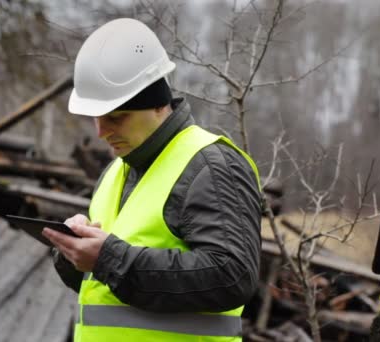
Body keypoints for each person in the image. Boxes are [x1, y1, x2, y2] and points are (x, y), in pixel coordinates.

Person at [43, 18, 262, 342]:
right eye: (96, 117)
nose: (101, 132)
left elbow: (232, 277)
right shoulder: (118, 171)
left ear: (159, 104)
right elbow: (106, 290)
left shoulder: (211, 167)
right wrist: (76, 253)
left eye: (116, 117)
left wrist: (108, 258)